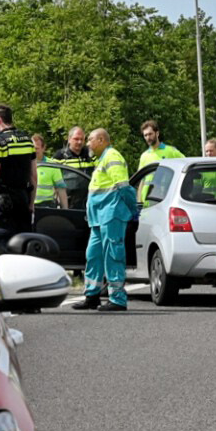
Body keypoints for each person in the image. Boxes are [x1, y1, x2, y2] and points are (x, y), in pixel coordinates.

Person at [72, 128, 134, 311]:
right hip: (100, 218)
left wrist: (133, 210)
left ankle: (118, 298)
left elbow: (123, 186)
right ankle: (92, 295)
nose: (87, 143)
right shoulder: (102, 159)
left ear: (101, 139)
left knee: (113, 255)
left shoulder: (112, 156)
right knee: (93, 256)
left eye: (90, 139)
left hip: (111, 215)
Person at [0, 104, 36, 245]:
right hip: (23, 199)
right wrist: (31, 202)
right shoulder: (27, 140)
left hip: (4, 203)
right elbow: (33, 175)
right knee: (23, 244)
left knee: (6, 245)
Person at [51, 126, 96, 211]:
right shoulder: (59, 156)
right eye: (76, 139)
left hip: (88, 202)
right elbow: (52, 180)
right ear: (69, 139)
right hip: (68, 203)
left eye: (82, 139)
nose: (79, 142)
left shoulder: (90, 156)